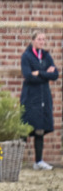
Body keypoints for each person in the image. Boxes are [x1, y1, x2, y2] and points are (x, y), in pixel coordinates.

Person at [21, 31, 58, 170]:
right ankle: (17, 160)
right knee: (25, 128)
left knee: (40, 129)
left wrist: (40, 73)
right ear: (33, 40)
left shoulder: (46, 56)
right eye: (39, 39)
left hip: (44, 97)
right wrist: (46, 74)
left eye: (43, 39)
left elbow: (55, 75)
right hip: (30, 97)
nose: (42, 42)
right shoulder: (26, 56)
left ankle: (38, 161)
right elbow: (28, 76)